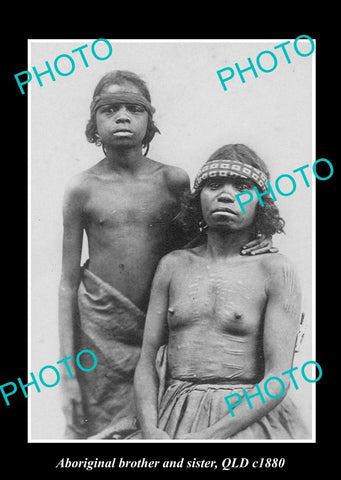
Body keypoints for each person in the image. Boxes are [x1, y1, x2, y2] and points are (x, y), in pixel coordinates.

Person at [58, 71, 275, 440]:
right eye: (110, 109)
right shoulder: (82, 188)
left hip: (163, 328)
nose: (122, 117)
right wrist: (66, 372)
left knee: (164, 423)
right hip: (100, 331)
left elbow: (205, 242)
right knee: (100, 435)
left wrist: (257, 240)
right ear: (93, 122)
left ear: (150, 121)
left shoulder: (173, 181)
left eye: (133, 108)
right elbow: (67, 284)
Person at [134, 143, 309, 440]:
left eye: (242, 186)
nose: (226, 195)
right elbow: (147, 361)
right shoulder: (173, 266)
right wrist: (150, 429)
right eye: (214, 185)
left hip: (247, 420)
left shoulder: (276, 269)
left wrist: (210, 436)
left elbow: (278, 377)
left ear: (260, 203)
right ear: (198, 198)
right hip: (173, 414)